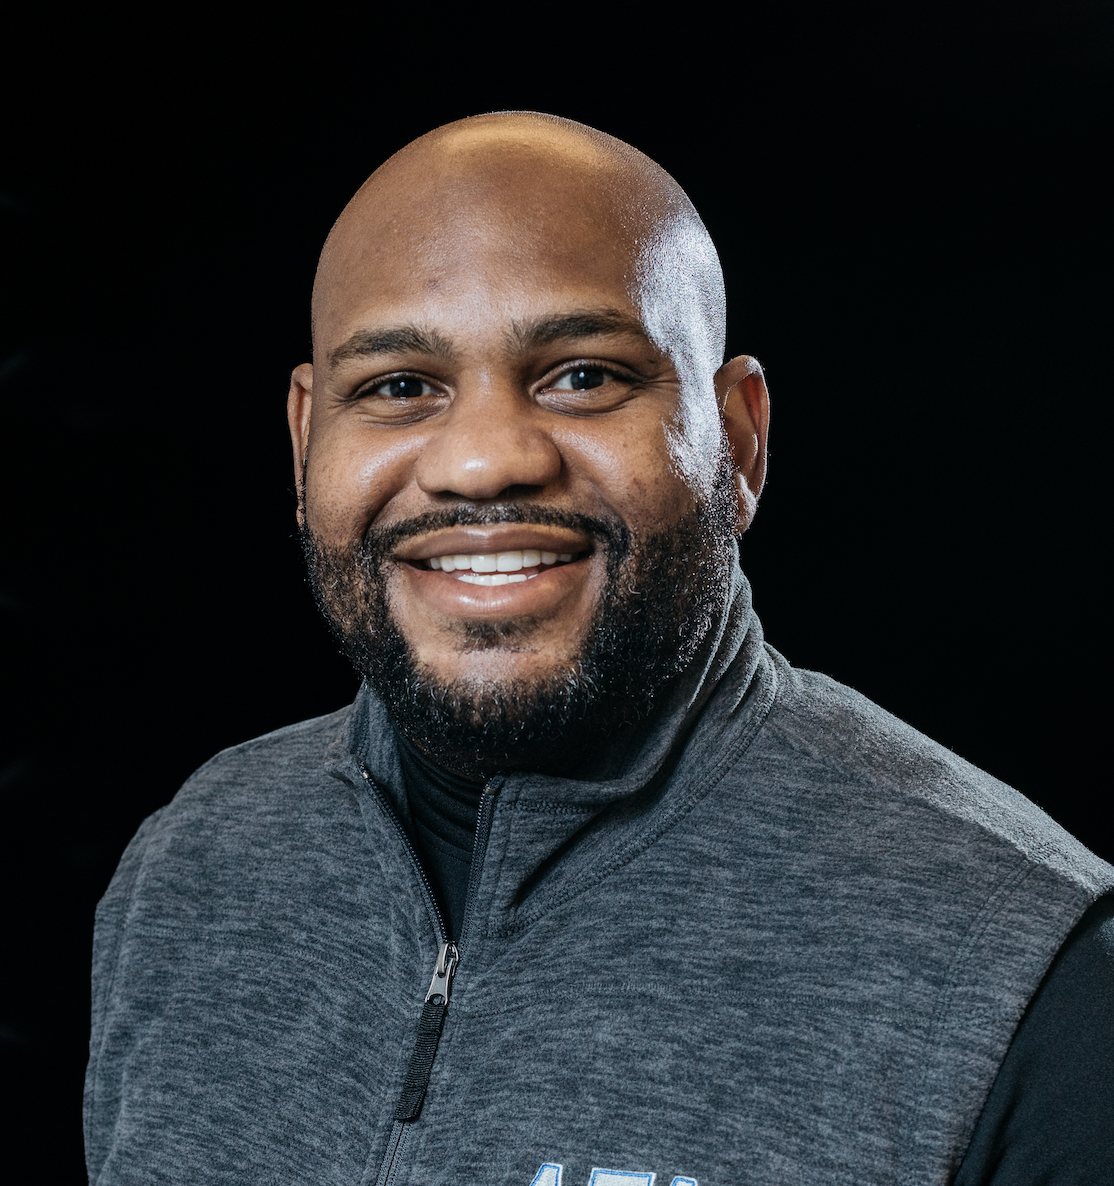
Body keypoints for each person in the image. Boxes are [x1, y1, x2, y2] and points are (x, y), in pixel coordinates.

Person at [84, 113, 1113, 1185]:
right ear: (307, 442)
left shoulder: (1021, 967)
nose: (482, 462)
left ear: (739, 441)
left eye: (582, 376)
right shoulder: (191, 869)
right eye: (399, 387)